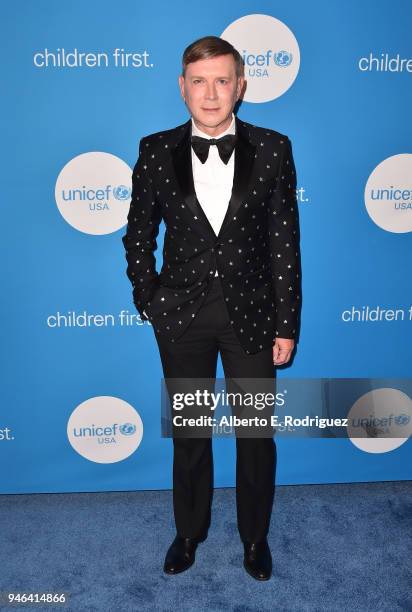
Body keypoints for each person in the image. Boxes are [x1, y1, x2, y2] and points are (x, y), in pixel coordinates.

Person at [122, 35, 302, 581]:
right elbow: (137, 235)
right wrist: (146, 297)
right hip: (181, 319)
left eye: (222, 80)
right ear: (182, 86)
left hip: (252, 317)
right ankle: (189, 531)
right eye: (198, 80)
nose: (210, 93)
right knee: (191, 433)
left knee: (255, 436)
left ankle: (254, 539)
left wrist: (286, 323)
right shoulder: (155, 150)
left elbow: (284, 243)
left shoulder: (273, 148)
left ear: (240, 86)